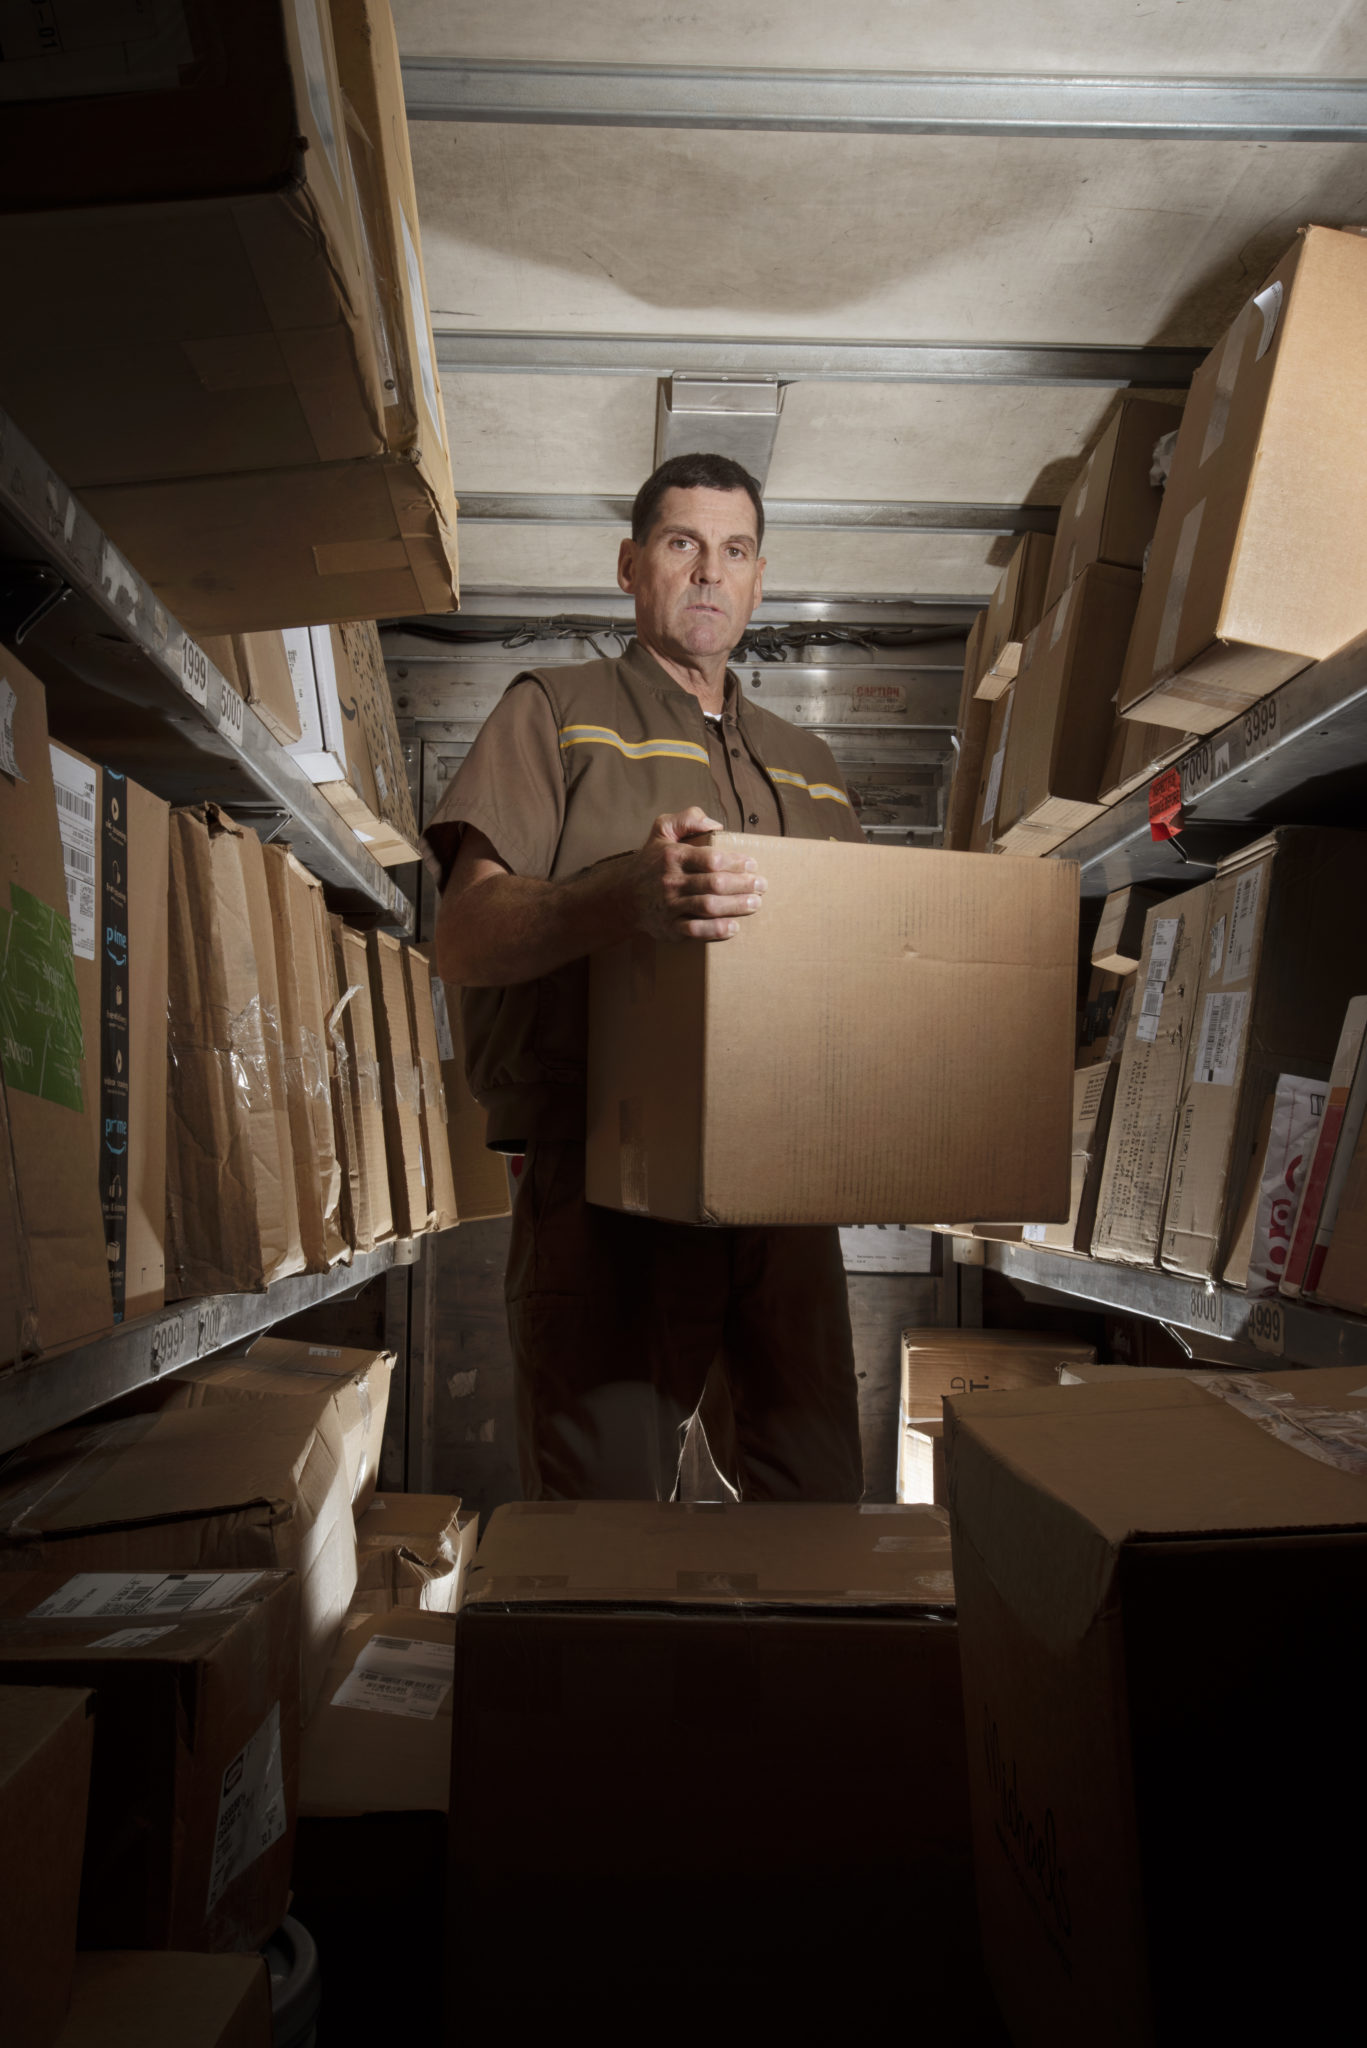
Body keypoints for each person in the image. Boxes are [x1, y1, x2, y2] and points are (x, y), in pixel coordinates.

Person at [427, 451, 865, 1502]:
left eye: (734, 550)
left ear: (759, 578)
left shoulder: (809, 760)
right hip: (604, 1184)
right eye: (681, 544)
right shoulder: (555, 710)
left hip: (788, 1192)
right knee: (601, 1525)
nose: (708, 572)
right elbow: (466, 935)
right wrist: (616, 895)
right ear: (630, 566)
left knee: (817, 1508)